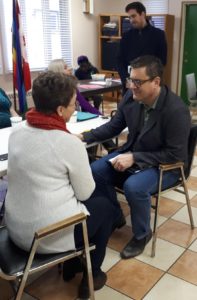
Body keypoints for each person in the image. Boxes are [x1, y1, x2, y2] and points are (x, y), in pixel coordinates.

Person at [5, 71, 117, 298]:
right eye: (73, 105)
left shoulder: (16, 132)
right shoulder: (68, 143)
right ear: (59, 110)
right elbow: (85, 192)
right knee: (105, 209)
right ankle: (91, 273)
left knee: (88, 205)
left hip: (13, 227)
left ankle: (73, 263)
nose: (75, 109)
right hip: (41, 238)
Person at [77, 55, 191, 259]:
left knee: (134, 186)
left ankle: (142, 235)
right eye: (130, 80)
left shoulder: (176, 110)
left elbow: (175, 154)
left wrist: (135, 157)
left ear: (156, 82)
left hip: (167, 166)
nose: (131, 86)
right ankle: (115, 215)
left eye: (137, 82)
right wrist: (85, 137)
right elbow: (113, 127)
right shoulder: (132, 98)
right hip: (136, 155)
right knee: (95, 171)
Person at [117, 2, 167, 94]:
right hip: (130, 84)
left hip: (149, 84)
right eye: (129, 17)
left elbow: (162, 61)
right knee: (129, 108)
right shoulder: (126, 36)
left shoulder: (158, 35)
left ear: (143, 14)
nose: (131, 20)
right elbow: (120, 61)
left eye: (134, 16)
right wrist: (127, 81)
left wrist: (149, 81)